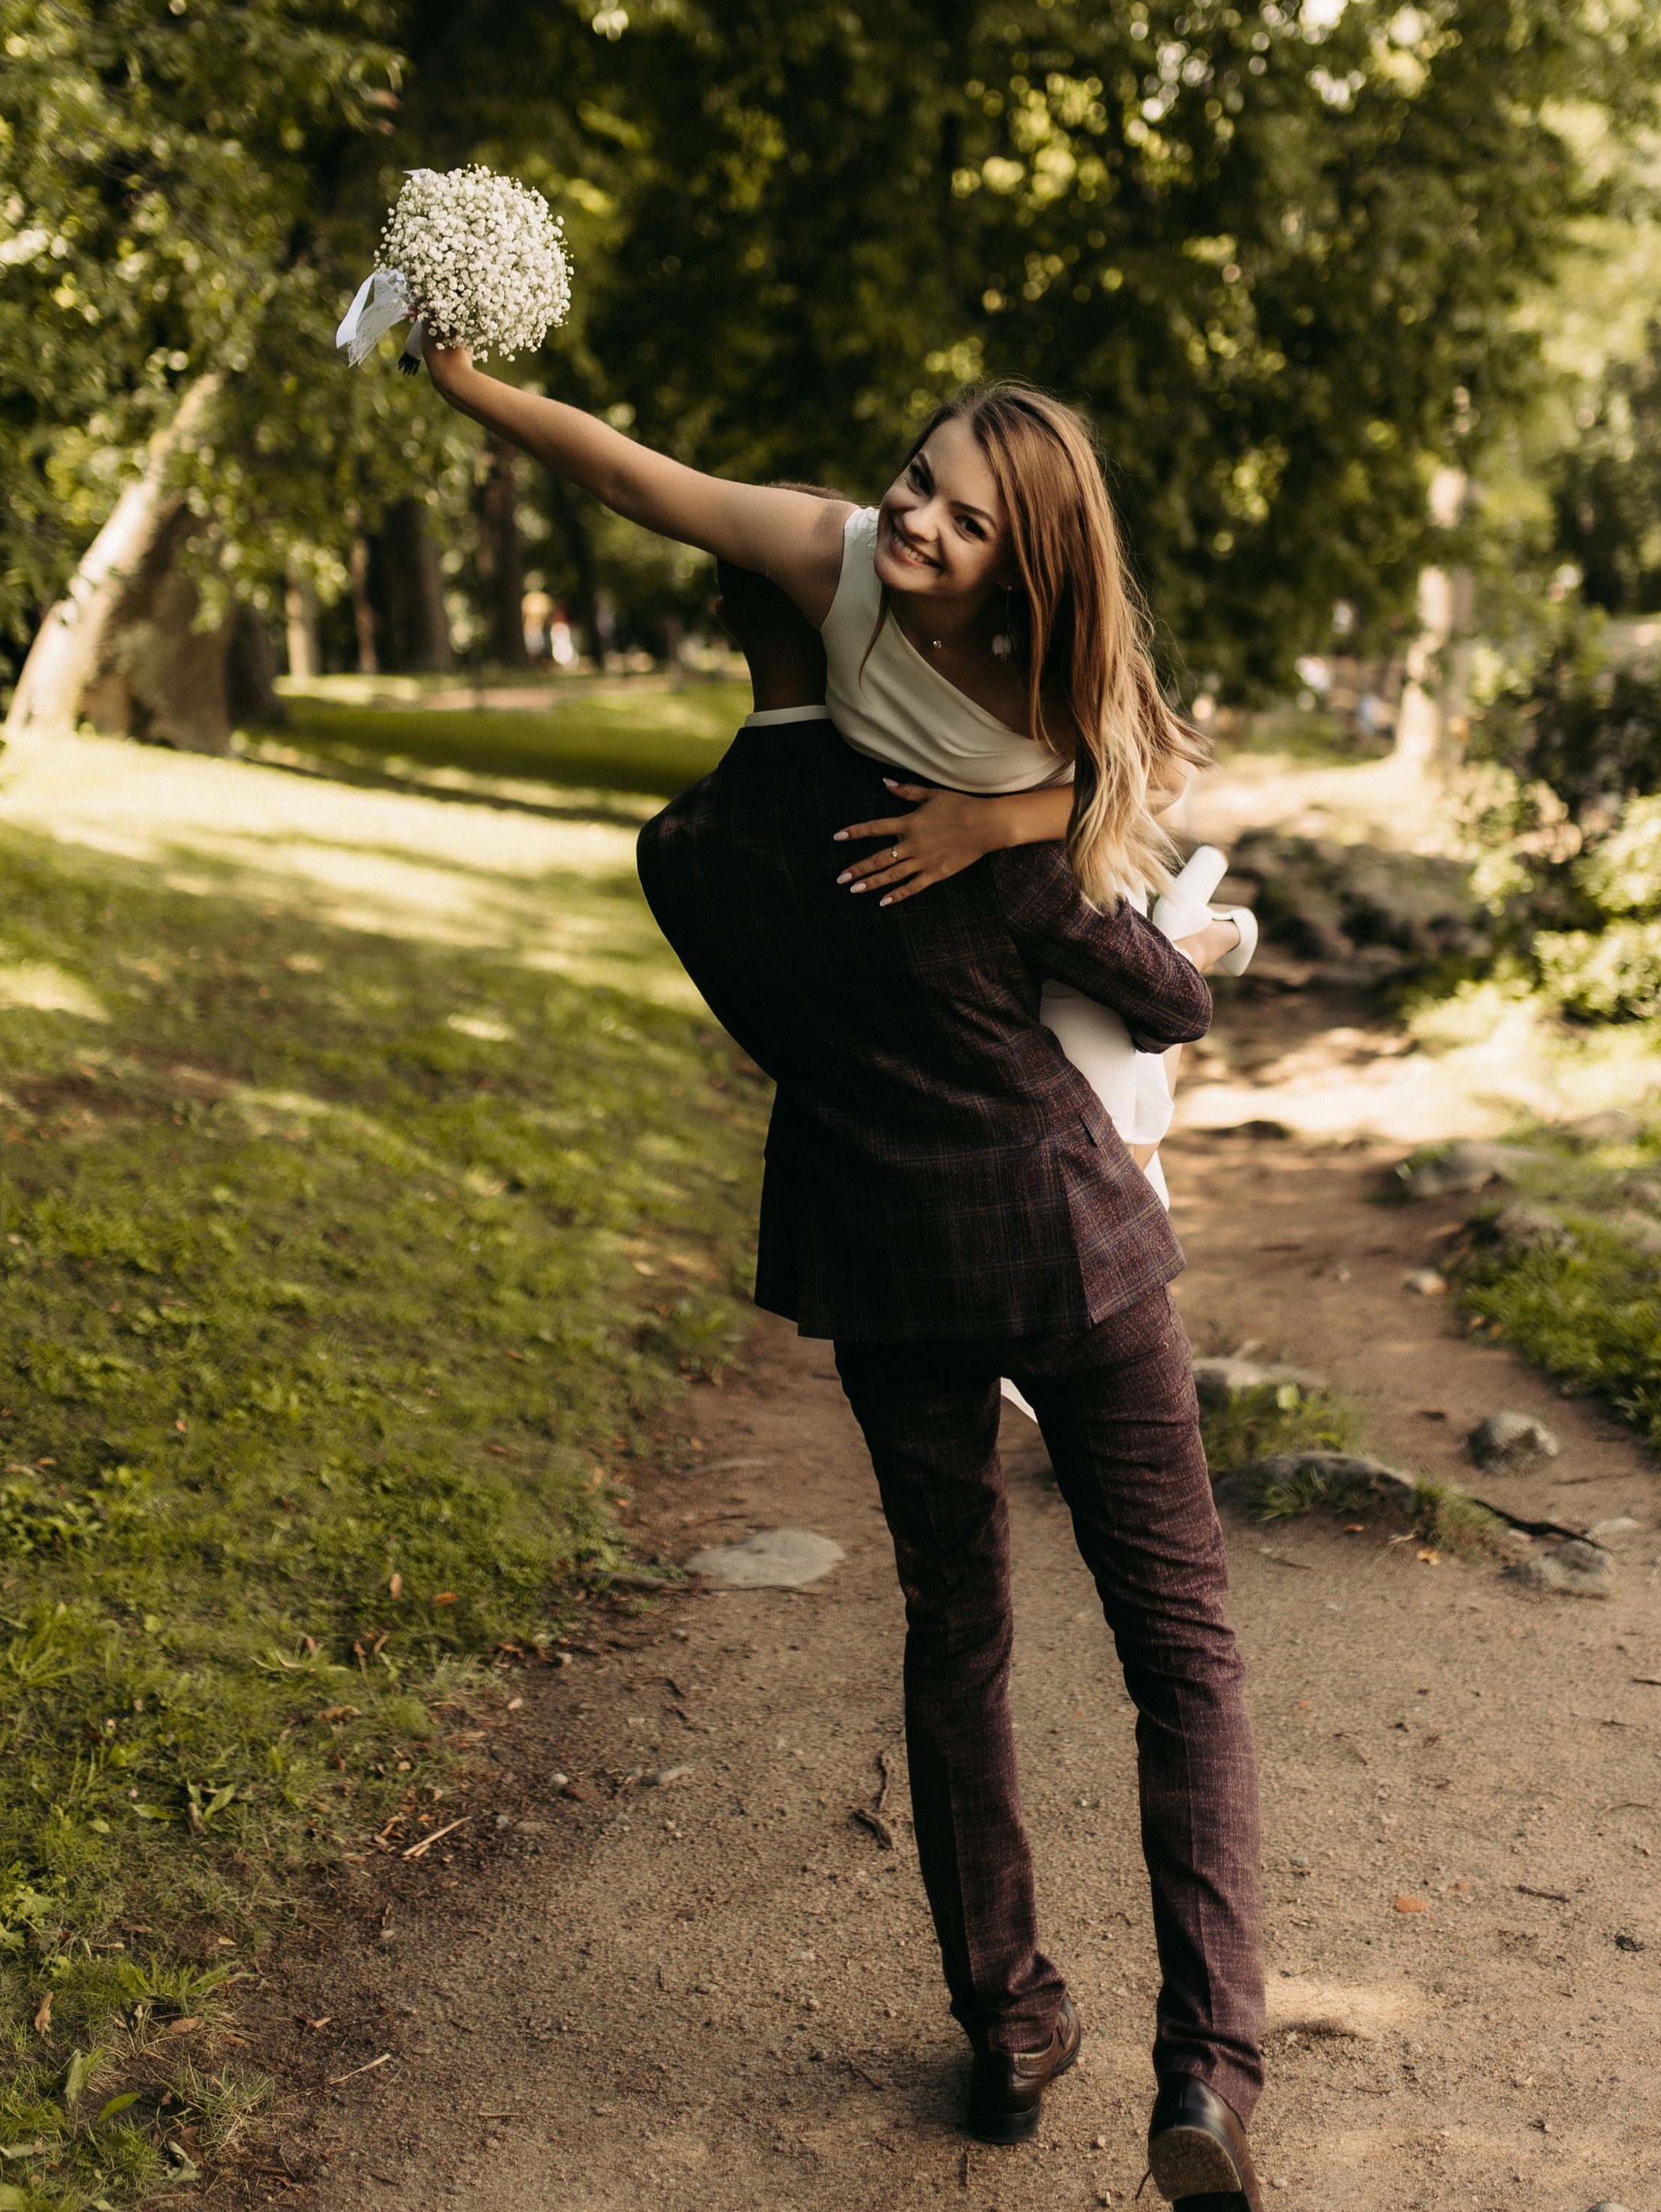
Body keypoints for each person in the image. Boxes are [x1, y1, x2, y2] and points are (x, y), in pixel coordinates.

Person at [635, 551, 1268, 2207]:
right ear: (847, 627)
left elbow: (780, 1032)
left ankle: (1006, 2024)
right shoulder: (953, 803)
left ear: (727, 637)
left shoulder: (683, 854)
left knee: (953, 1631)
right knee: (1182, 1652)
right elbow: (1171, 996)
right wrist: (1157, 933)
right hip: (1071, 1250)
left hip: (882, 1263)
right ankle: (1205, 2065)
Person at [417, 351, 1236, 1192]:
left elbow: (1162, 779)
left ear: (1020, 562)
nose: (919, 520)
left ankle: (1184, 940)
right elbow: (632, 479)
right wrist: (465, 383)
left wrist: (986, 822)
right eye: (919, 480)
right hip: (946, 923)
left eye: (970, 524)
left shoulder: (1041, 657)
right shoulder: (831, 557)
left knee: (1114, 1171)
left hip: (1051, 891)